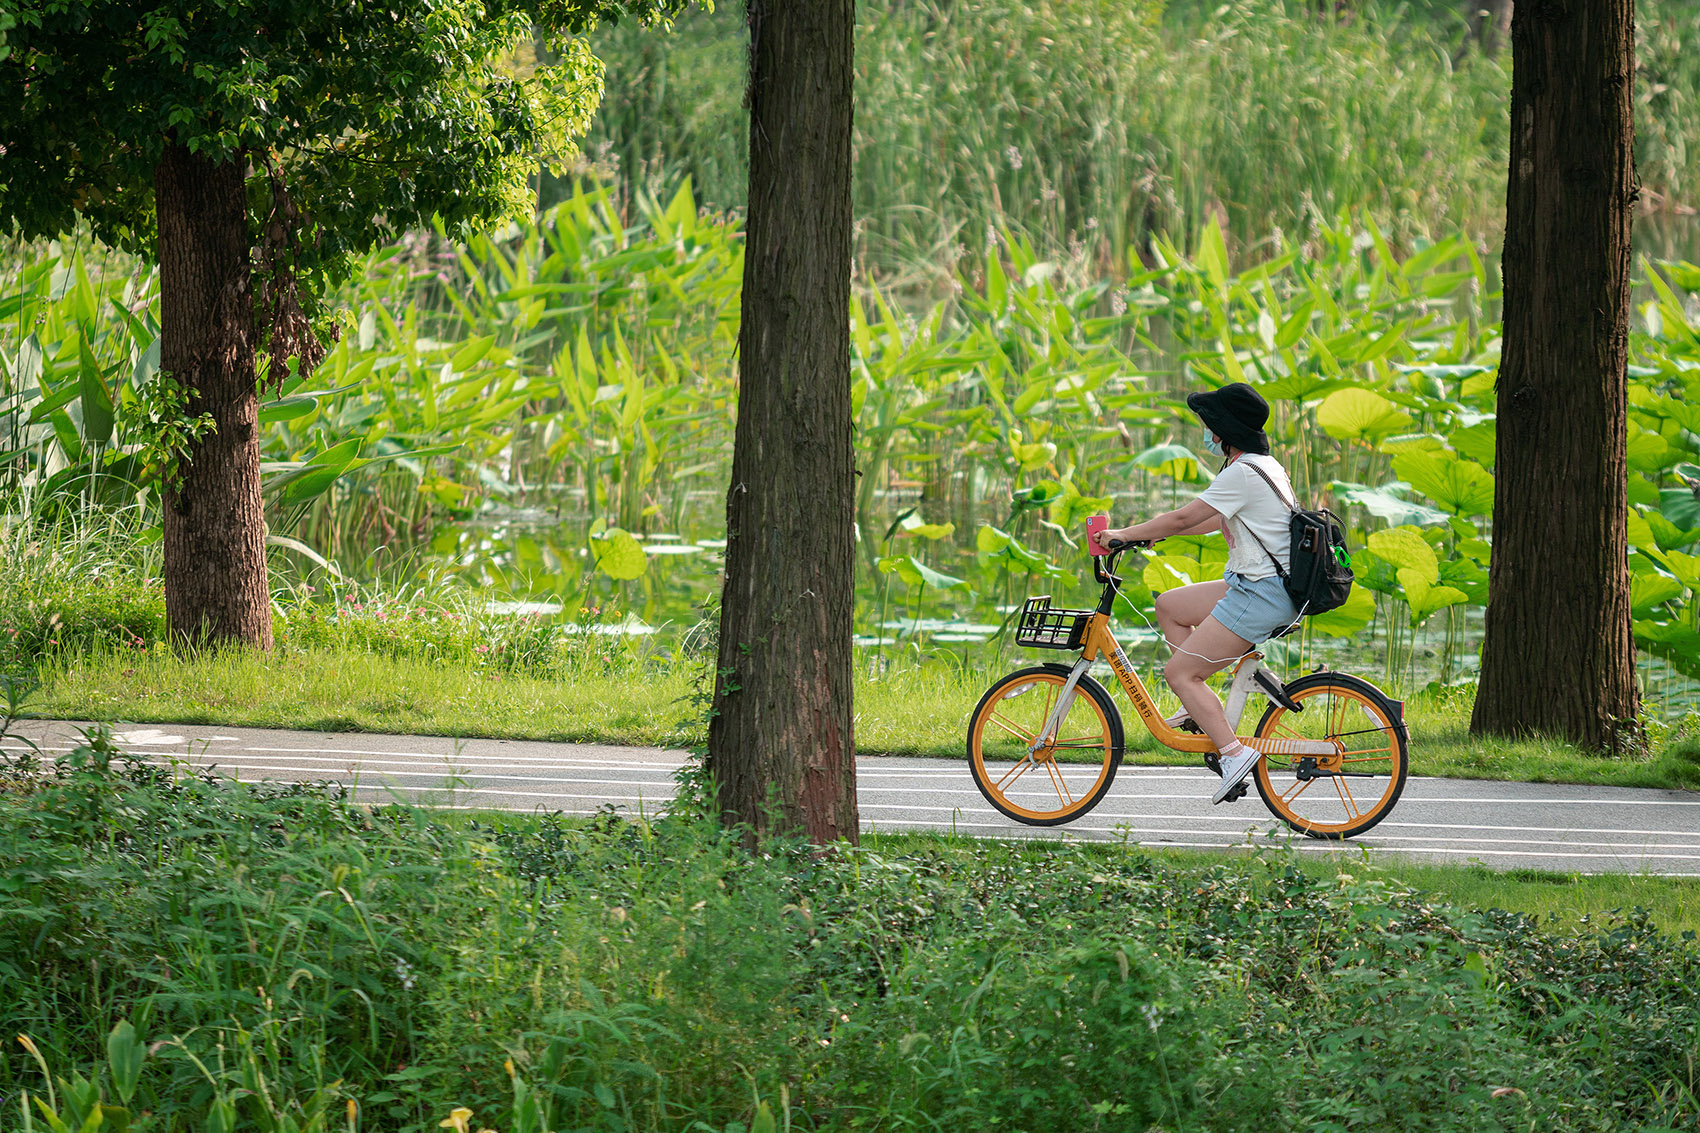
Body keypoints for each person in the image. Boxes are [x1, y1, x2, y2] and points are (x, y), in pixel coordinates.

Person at [1090, 382, 1299, 804]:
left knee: (1180, 674)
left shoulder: (1243, 472)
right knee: (1170, 605)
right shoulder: (1261, 465)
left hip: (1262, 593)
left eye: (1209, 424)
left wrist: (1123, 534)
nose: (1206, 432)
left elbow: (1185, 517)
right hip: (1257, 583)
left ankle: (1233, 755)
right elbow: (1208, 520)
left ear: (1224, 431)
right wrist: (1151, 535)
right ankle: (1197, 709)